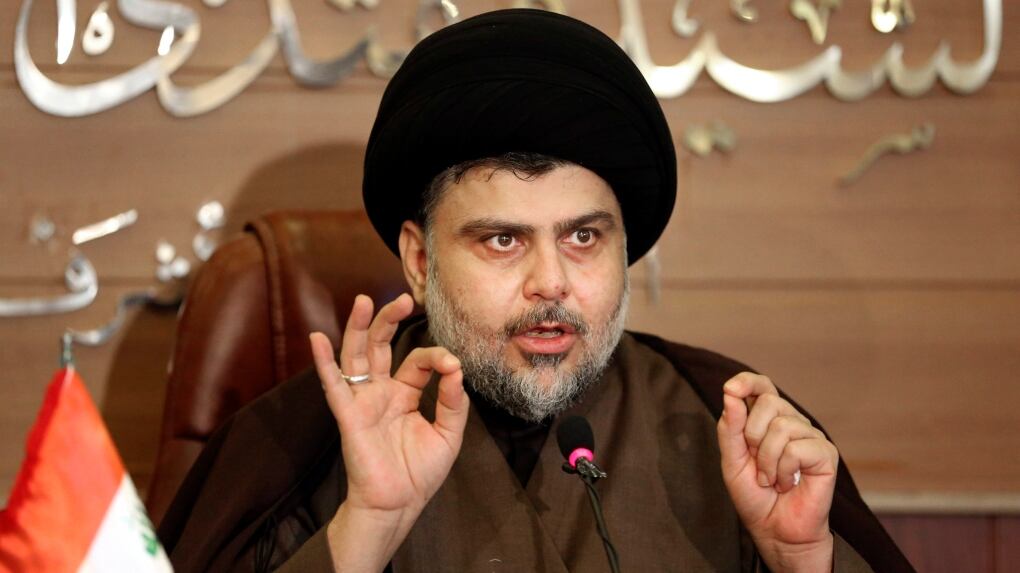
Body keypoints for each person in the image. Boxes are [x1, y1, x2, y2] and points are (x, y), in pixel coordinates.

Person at [158, 9, 912, 572]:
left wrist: (802, 559)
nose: (551, 281)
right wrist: (368, 526)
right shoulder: (294, 451)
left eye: (584, 237)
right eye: (503, 240)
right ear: (418, 261)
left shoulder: (729, 428)